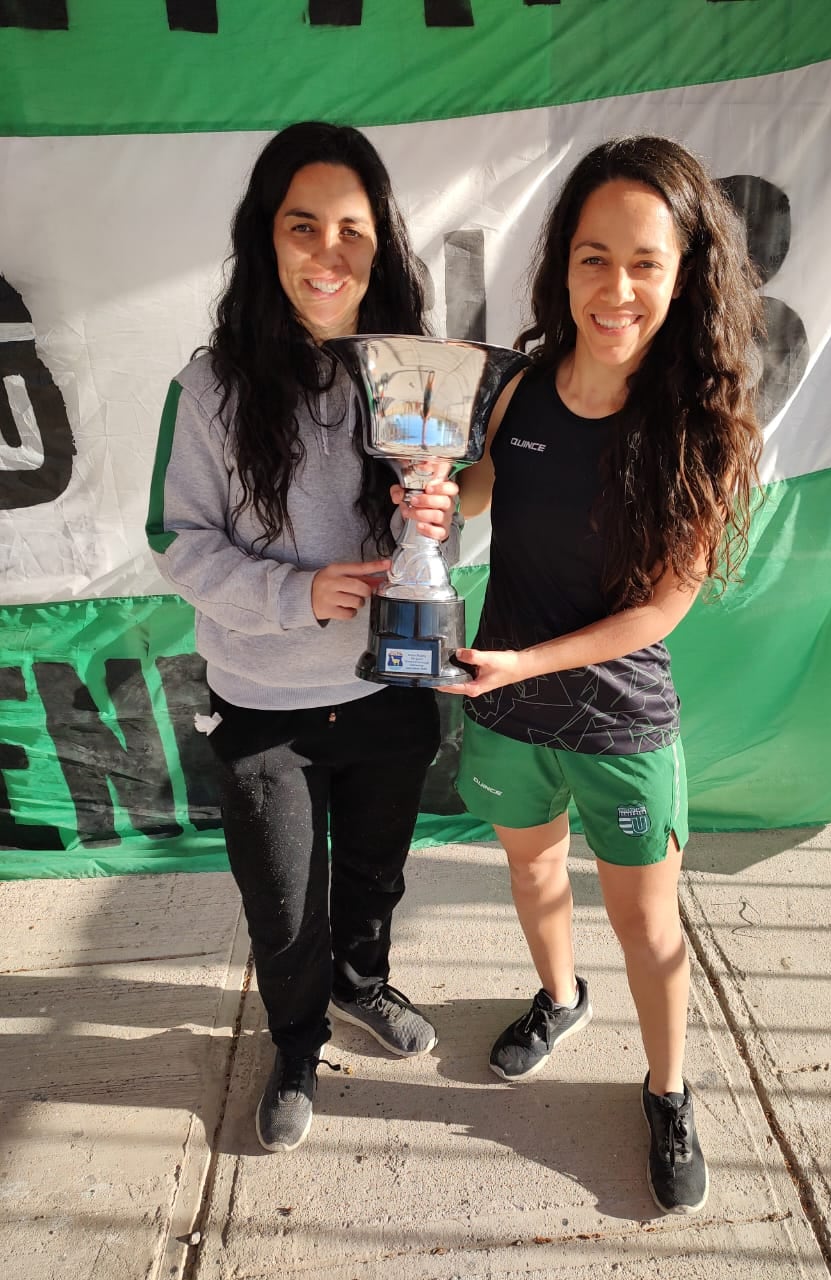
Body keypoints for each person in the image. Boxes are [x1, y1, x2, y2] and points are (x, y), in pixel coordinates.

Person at [442, 136, 763, 1215]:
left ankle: (669, 1089)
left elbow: (661, 606)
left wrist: (530, 660)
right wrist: (438, 495)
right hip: (504, 703)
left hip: (617, 719)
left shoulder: (699, 426)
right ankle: (558, 995)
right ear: (561, 265)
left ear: (685, 275)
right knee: (534, 882)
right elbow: (484, 492)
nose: (615, 289)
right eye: (592, 258)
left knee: (648, 927)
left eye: (644, 263)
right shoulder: (519, 381)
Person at [146, 122, 459, 1154]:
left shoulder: (413, 373)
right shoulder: (207, 390)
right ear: (264, 239)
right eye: (302, 225)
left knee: (375, 871)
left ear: (384, 247)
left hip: (390, 687)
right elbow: (174, 542)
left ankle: (364, 980)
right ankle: (295, 1040)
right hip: (262, 703)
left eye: (353, 231)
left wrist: (445, 514)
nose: (329, 252)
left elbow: (440, 524)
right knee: (283, 903)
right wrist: (298, 592)